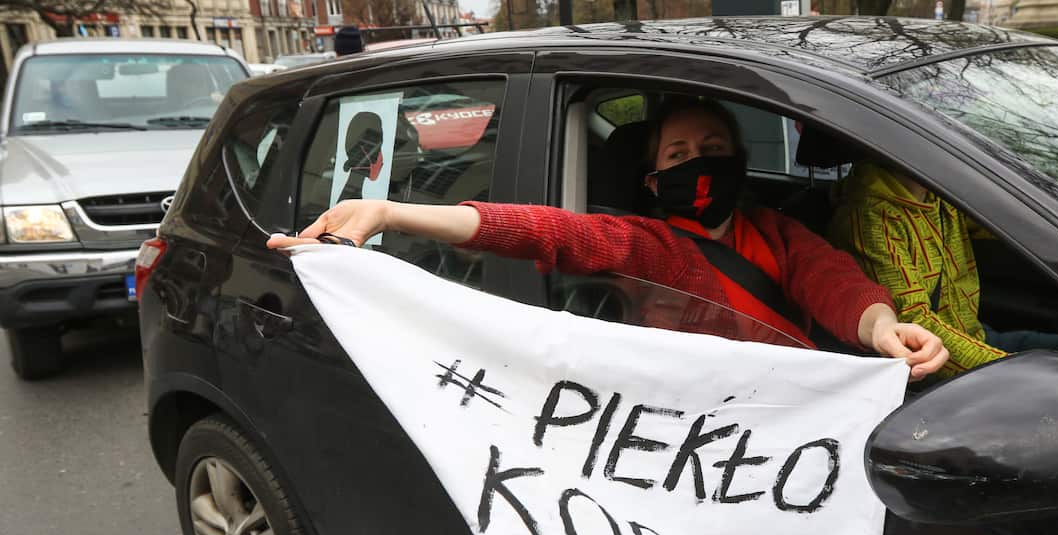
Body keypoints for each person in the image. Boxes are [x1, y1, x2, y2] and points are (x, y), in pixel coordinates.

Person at [269, 97, 949, 379]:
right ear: (652, 179)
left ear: (740, 160)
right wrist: (390, 213)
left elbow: (832, 283)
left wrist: (882, 328)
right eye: (679, 155)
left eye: (714, 146)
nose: (700, 161)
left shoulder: (775, 229)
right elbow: (547, 232)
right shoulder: (649, 243)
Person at [829, 161, 1058, 378]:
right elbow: (915, 324)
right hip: (938, 365)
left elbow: (1007, 221)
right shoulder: (872, 218)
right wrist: (1010, 373)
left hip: (974, 334)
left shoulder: (938, 195)